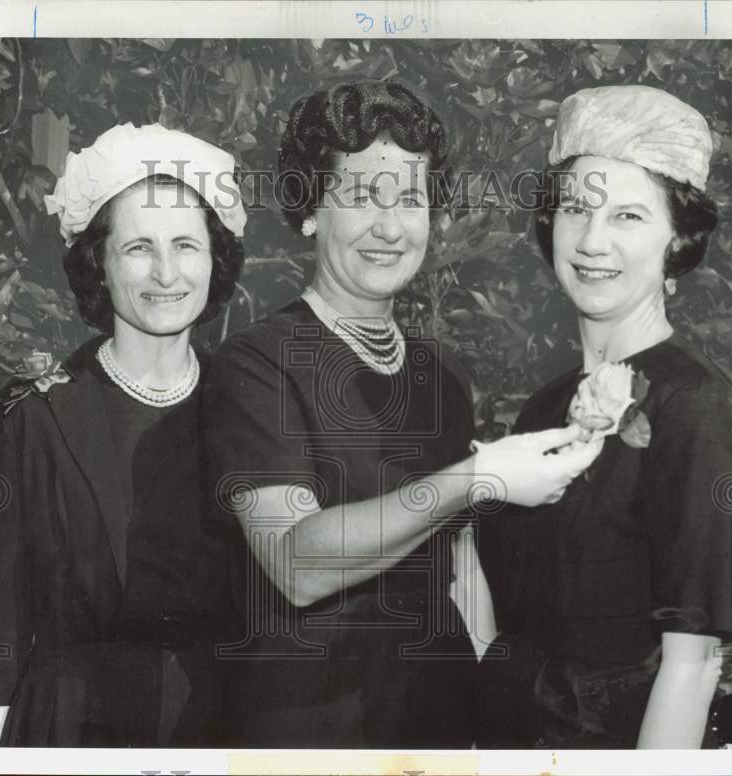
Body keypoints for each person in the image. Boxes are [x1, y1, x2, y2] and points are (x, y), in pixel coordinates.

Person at [201, 79, 602, 748]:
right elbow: (296, 565)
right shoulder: (257, 363)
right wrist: (475, 477)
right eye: (362, 197)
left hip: (436, 725)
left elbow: (457, 561)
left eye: (410, 199)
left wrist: (486, 698)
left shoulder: (440, 374)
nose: (390, 227)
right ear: (307, 211)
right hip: (310, 730)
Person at [0, 123, 246, 746]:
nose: (165, 272)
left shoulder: (247, 407)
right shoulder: (32, 416)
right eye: (137, 248)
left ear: (215, 259)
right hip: (69, 728)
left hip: (220, 726)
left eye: (185, 245)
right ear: (97, 259)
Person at [477, 85, 732, 749]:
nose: (592, 241)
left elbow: (691, 665)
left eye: (629, 216)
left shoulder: (696, 407)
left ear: (679, 239)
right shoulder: (544, 406)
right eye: (576, 209)